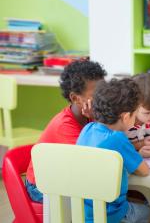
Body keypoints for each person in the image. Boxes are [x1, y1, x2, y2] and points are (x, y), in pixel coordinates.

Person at [25, 60, 107, 203]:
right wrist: (98, 119)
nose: (103, 99)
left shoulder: (89, 117)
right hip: (40, 187)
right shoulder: (65, 126)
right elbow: (95, 160)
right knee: (98, 197)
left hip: (65, 176)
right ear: (75, 98)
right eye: (96, 95)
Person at [77, 78, 150, 223]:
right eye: (135, 115)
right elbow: (144, 171)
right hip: (111, 214)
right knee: (149, 211)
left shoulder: (87, 129)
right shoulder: (118, 139)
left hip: (83, 212)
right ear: (125, 117)